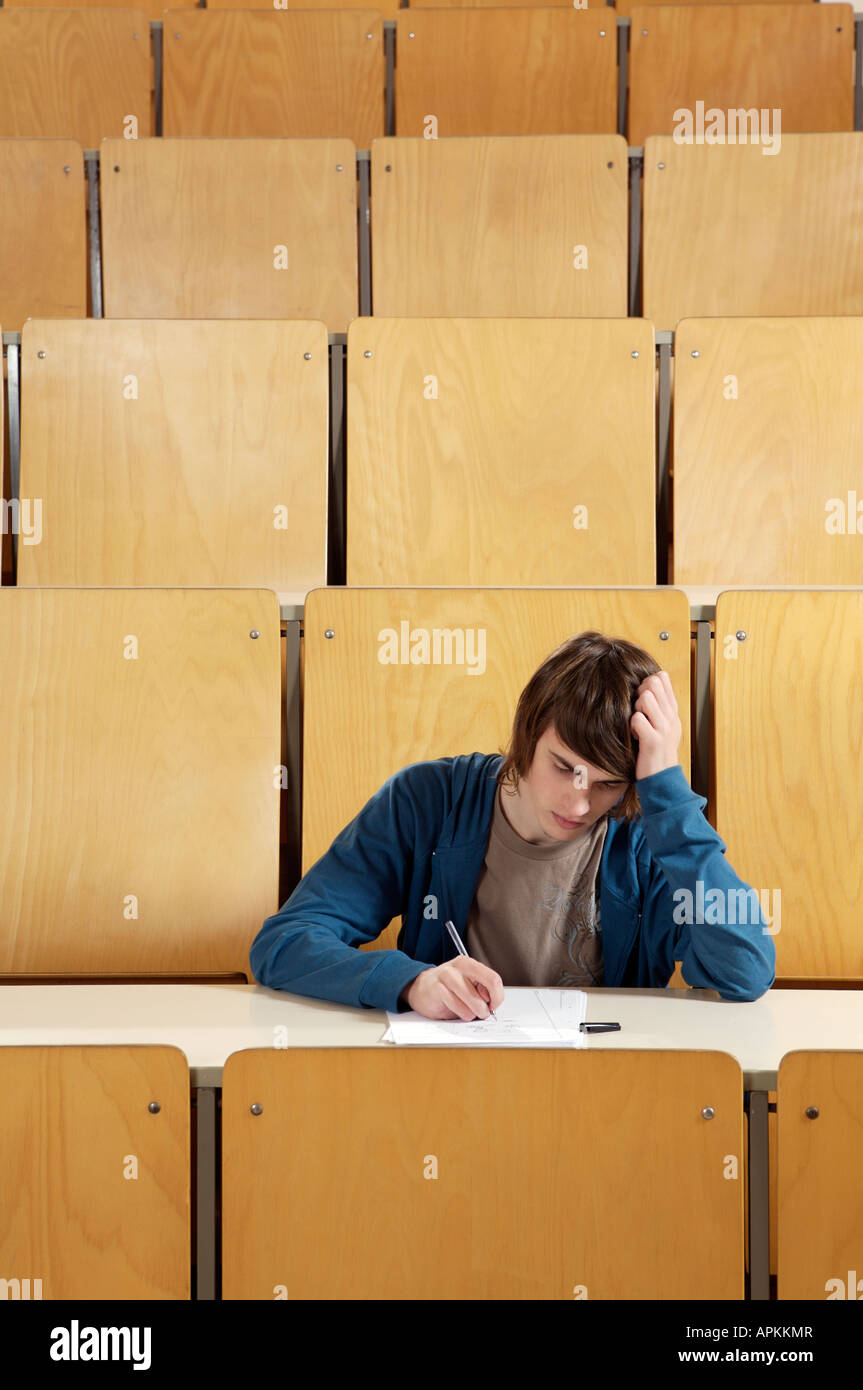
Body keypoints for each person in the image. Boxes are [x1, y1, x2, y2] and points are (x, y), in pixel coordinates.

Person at [250, 631, 775, 1017]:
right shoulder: (427, 800)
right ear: (527, 733)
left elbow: (745, 969)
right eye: (564, 767)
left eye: (608, 784)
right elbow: (285, 942)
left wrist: (667, 795)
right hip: (449, 1086)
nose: (578, 802)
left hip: (607, 1095)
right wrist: (410, 982)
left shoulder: (649, 832)